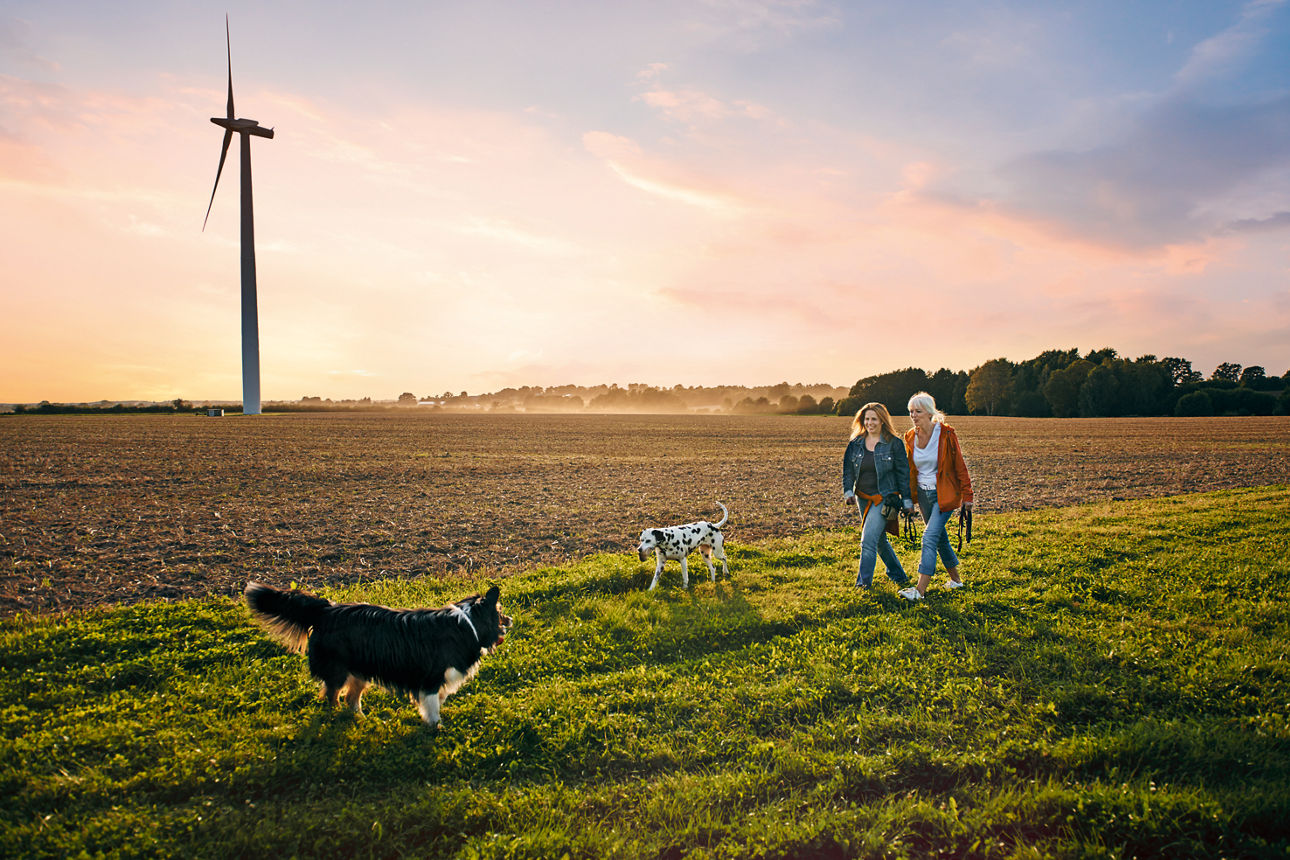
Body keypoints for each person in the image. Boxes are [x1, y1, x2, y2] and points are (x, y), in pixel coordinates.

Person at [899, 391, 973, 600]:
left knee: (929, 537)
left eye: (918, 411)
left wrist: (968, 496)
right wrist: (906, 497)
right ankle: (956, 581)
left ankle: (919, 591)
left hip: (944, 495)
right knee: (940, 539)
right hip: (923, 495)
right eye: (911, 411)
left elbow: (960, 466)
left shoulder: (946, 434)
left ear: (929, 413)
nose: (913, 416)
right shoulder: (910, 436)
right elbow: (910, 470)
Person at [841, 402, 914, 590]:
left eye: (874, 419)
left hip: (884, 499)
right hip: (862, 497)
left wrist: (906, 501)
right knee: (879, 540)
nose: (870, 422)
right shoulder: (855, 443)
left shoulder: (894, 444)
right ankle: (898, 575)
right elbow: (848, 470)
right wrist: (848, 491)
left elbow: (903, 474)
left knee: (868, 540)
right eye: (866, 419)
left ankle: (863, 585)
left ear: (882, 420)